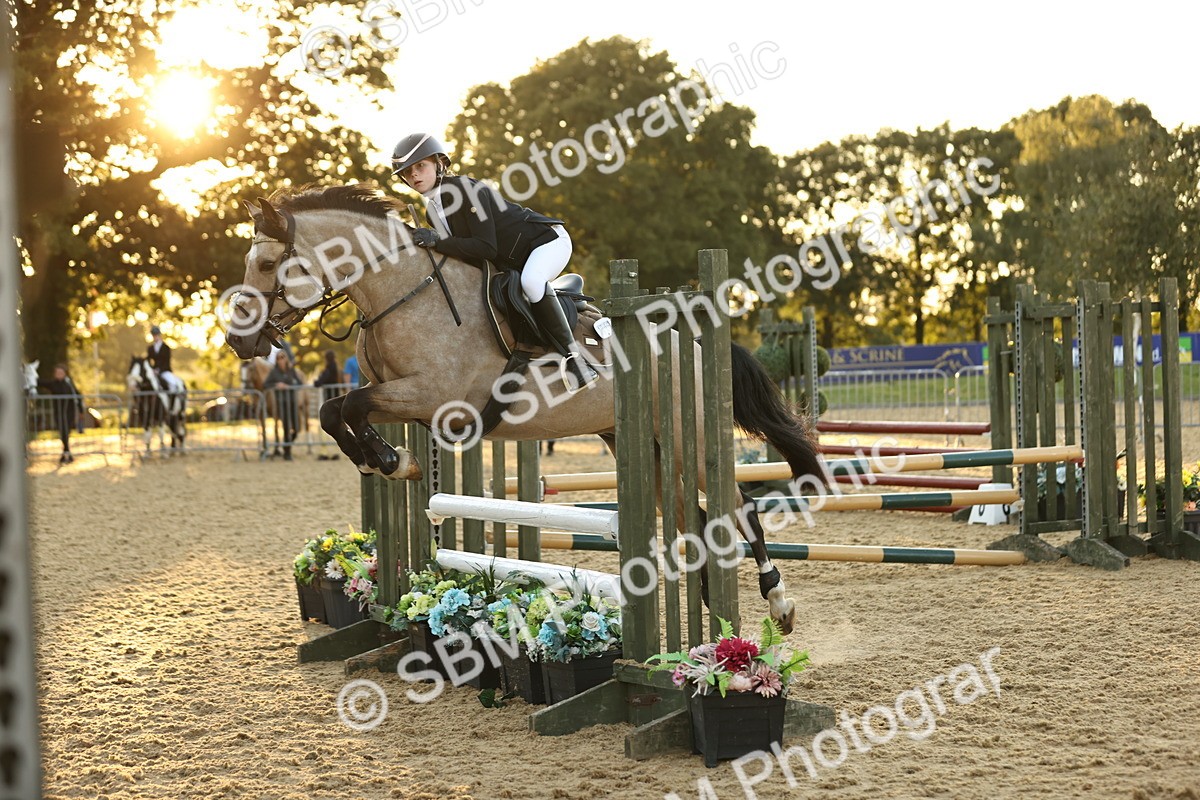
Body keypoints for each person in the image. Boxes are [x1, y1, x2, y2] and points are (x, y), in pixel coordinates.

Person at [391, 132, 598, 391]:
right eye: (407, 172)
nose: (414, 176)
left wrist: (437, 242)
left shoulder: (466, 189)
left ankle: (576, 361)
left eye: (420, 166)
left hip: (546, 242)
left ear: (440, 163)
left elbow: (485, 248)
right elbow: (462, 255)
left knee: (532, 282)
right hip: (513, 260)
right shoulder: (432, 210)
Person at [265, 350, 303, 460]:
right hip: (282, 403)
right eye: (278, 358)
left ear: (286, 358)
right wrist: (276, 385)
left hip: (292, 401)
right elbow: (266, 384)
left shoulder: (291, 371)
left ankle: (286, 446)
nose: (281, 360)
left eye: (282, 357)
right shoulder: (274, 372)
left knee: (296, 428)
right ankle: (288, 453)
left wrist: (289, 385)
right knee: (286, 428)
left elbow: (299, 383)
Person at [42, 363, 83, 464]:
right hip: (59, 413)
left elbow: (77, 395)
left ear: (65, 373)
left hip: (69, 413)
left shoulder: (69, 384)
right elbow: (40, 382)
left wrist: (81, 410)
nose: (59, 374)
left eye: (61, 372)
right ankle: (67, 452)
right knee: (62, 432)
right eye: (57, 372)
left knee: (66, 432)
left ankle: (66, 452)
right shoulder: (52, 384)